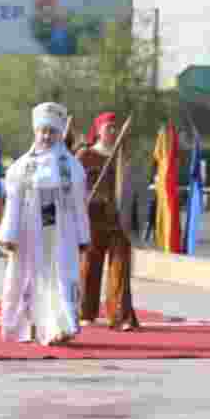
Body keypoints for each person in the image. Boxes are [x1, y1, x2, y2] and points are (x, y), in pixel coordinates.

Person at [0, 102, 91, 346]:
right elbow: (14, 204)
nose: (47, 136)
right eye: (43, 131)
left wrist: (83, 236)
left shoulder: (72, 168)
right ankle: (26, 328)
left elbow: (79, 206)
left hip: (61, 234)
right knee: (26, 277)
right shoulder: (20, 167)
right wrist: (9, 234)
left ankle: (60, 328)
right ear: (36, 132)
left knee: (61, 277)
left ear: (60, 134)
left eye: (52, 131)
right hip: (30, 233)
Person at [76, 112, 140, 331]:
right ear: (99, 129)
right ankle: (86, 311)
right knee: (90, 267)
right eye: (108, 127)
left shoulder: (123, 156)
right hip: (93, 219)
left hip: (118, 219)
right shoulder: (85, 155)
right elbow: (75, 185)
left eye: (115, 127)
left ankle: (121, 316)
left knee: (120, 266)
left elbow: (131, 191)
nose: (112, 131)